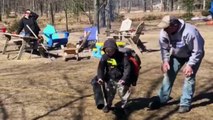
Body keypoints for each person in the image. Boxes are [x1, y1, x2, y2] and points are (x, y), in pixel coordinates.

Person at [148, 15, 205, 113]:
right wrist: (165, 61)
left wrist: (190, 65)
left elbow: (197, 51)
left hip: (193, 55)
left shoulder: (190, 32)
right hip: (177, 55)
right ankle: (162, 98)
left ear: (174, 25)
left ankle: (185, 103)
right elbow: (164, 48)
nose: (164, 30)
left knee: (189, 77)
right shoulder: (164, 33)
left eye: (166, 27)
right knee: (169, 74)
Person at [91, 39, 141, 113]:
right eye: (107, 50)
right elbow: (100, 68)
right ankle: (108, 105)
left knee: (123, 94)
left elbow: (128, 68)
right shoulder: (104, 57)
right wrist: (100, 78)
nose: (109, 52)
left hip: (122, 79)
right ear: (104, 50)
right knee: (109, 93)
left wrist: (124, 78)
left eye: (111, 50)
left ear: (115, 49)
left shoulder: (123, 56)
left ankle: (124, 107)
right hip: (110, 78)